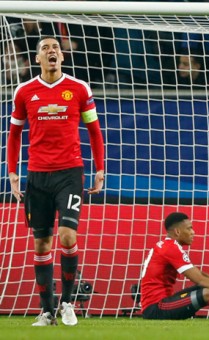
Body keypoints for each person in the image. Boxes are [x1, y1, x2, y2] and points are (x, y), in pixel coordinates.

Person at [6, 36, 105, 326]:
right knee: (41, 245)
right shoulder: (24, 91)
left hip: (70, 173)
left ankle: (67, 303)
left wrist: (100, 169)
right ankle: (47, 311)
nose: (52, 52)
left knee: (68, 236)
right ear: (37, 59)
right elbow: (14, 135)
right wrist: (13, 172)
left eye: (56, 49)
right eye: (46, 49)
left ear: (62, 57)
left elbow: (94, 131)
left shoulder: (78, 88)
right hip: (37, 176)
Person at [139, 212, 209, 319]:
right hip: (155, 308)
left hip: (163, 302)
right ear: (177, 231)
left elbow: (200, 274)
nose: (193, 232)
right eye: (189, 228)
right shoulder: (171, 248)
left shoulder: (167, 245)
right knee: (207, 293)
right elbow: (200, 280)